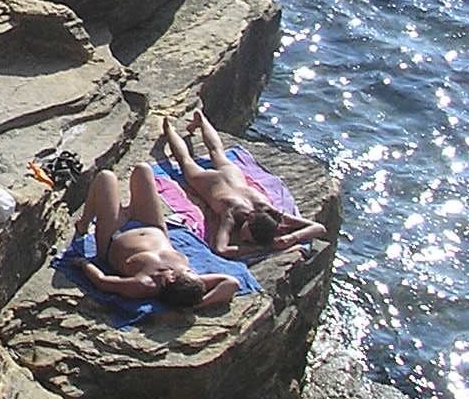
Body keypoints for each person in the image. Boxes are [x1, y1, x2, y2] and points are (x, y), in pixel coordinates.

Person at [160, 109, 329, 257]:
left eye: (246, 239)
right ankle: (169, 129)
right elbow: (220, 249)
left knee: (217, 152)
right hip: (209, 183)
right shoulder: (231, 214)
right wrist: (258, 248)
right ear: (248, 220)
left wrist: (290, 238)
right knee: (185, 161)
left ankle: (201, 120)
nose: (243, 239)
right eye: (247, 235)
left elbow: (319, 227)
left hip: (232, 176)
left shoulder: (272, 213)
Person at [76, 165, 242, 311]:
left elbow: (102, 281)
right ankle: (91, 221)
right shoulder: (190, 283)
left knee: (105, 177)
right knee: (143, 170)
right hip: (152, 226)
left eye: (188, 271)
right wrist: (199, 304)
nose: (191, 270)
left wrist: (83, 264)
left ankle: (84, 224)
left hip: (115, 234)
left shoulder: (144, 284)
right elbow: (232, 283)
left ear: (170, 278)